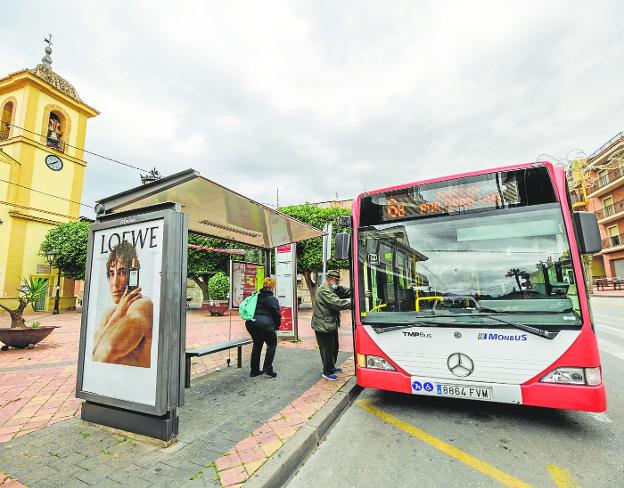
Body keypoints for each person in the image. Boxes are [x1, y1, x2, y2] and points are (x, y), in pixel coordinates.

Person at [92, 240, 154, 368]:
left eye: (121, 272)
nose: (114, 283)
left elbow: (101, 355)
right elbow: (92, 353)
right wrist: (118, 313)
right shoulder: (111, 312)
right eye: (111, 273)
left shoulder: (142, 306)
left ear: (134, 274)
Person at [312, 270, 352, 381]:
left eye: (338, 281)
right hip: (323, 325)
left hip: (330, 324)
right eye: (336, 281)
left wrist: (358, 292)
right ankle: (327, 371)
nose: (337, 283)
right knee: (327, 349)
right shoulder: (324, 290)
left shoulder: (333, 288)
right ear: (329, 280)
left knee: (334, 347)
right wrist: (354, 302)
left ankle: (331, 366)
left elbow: (345, 291)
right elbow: (337, 303)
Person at [245, 277, 281, 378]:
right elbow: (277, 315)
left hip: (251, 324)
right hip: (265, 325)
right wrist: (277, 326)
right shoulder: (272, 300)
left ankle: (254, 371)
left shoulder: (256, 297)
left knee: (257, 344)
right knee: (272, 344)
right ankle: (267, 368)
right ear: (272, 287)